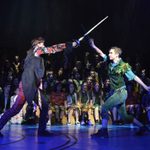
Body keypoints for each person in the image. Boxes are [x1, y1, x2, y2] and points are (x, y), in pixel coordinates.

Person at [0, 37, 79, 137]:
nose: (44, 46)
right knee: (19, 108)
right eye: (42, 44)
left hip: (30, 85)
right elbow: (52, 48)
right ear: (37, 44)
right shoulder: (36, 51)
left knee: (39, 106)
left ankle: (42, 130)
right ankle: (41, 130)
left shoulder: (32, 55)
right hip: (28, 85)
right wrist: (69, 45)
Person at [89, 39, 150, 138]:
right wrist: (94, 46)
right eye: (109, 53)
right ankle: (142, 127)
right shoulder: (109, 61)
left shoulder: (123, 65)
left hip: (121, 92)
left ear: (117, 55)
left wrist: (145, 86)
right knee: (125, 117)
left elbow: (134, 76)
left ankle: (104, 132)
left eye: (111, 53)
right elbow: (101, 54)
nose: (109, 54)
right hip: (115, 93)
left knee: (104, 108)